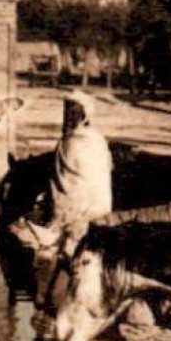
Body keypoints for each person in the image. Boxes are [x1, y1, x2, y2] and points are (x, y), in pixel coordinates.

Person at [47, 90, 114, 241]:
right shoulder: (99, 140)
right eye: (67, 113)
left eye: (71, 114)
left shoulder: (68, 143)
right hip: (103, 213)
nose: (68, 118)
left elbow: (59, 184)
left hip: (79, 219)